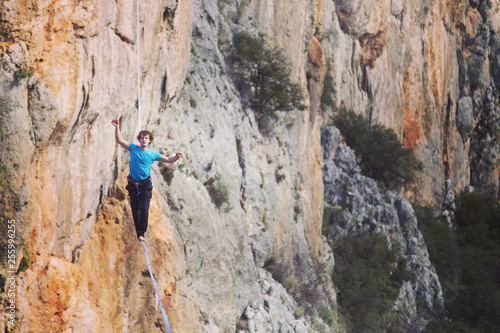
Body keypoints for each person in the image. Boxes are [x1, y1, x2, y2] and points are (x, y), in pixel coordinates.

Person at [111, 118, 182, 241]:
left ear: (149, 141)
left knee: (144, 210)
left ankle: (141, 234)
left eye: (146, 138)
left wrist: (176, 156)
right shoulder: (133, 148)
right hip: (133, 184)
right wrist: (117, 127)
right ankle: (139, 232)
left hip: (145, 185)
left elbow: (168, 160)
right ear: (139, 140)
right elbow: (119, 140)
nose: (144, 140)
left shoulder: (152, 154)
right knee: (135, 210)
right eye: (142, 138)